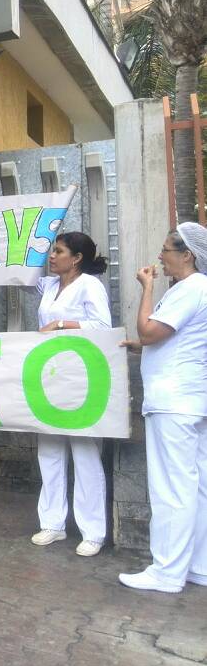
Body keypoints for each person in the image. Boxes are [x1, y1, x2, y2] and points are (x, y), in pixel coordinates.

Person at [119, 224, 207, 593]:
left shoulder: (191, 288)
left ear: (186, 254)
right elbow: (170, 341)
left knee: (172, 488)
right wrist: (144, 346)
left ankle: (167, 572)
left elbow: (151, 330)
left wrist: (147, 288)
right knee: (194, 486)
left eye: (167, 250)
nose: (160, 256)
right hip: (188, 398)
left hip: (174, 401)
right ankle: (197, 566)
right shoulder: (197, 290)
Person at [27, 232, 112, 557]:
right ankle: (52, 523)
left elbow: (103, 325)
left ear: (76, 258)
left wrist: (61, 324)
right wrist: (38, 233)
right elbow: (19, 273)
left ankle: (93, 531)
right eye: (52, 250)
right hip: (48, 377)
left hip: (80, 378)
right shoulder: (48, 285)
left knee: (85, 452)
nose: (51, 256)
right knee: (49, 450)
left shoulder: (90, 285)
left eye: (58, 251)